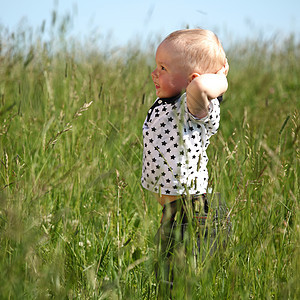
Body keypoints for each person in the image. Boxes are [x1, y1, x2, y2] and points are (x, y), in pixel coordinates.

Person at [141, 28, 229, 288]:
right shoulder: (166, 104)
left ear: (190, 79)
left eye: (164, 68)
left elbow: (202, 86)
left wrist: (221, 77)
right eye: (157, 66)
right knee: (164, 273)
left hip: (193, 210)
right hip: (173, 209)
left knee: (178, 276)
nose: (154, 73)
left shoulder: (193, 107)